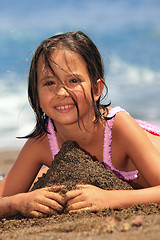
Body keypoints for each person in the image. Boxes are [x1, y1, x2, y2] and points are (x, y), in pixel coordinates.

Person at [1, 31, 160, 219]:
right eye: (49, 82)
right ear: (36, 95)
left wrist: (111, 199)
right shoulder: (43, 140)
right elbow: (4, 198)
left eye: (73, 80)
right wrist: (17, 203)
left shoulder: (118, 126)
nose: (61, 92)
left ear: (96, 89)